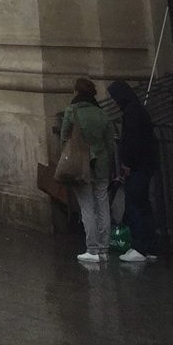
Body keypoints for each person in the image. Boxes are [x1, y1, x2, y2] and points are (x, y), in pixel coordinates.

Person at [60, 77, 116, 265]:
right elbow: (110, 143)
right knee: (102, 204)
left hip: (81, 165)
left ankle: (92, 249)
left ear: (76, 92)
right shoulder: (102, 114)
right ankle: (104, 248)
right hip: (101, 164)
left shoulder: (71, 111)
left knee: (87, 206)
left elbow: (64, 138)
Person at [107, 79, 159, 263]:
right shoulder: (137, 110)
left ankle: (139, 247)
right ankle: (150, 245)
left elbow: (132, 143)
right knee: (143, 205)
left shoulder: (132, 114)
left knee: (135, 204)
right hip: (145, 165)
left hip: (138, 166)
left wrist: (127, 163)